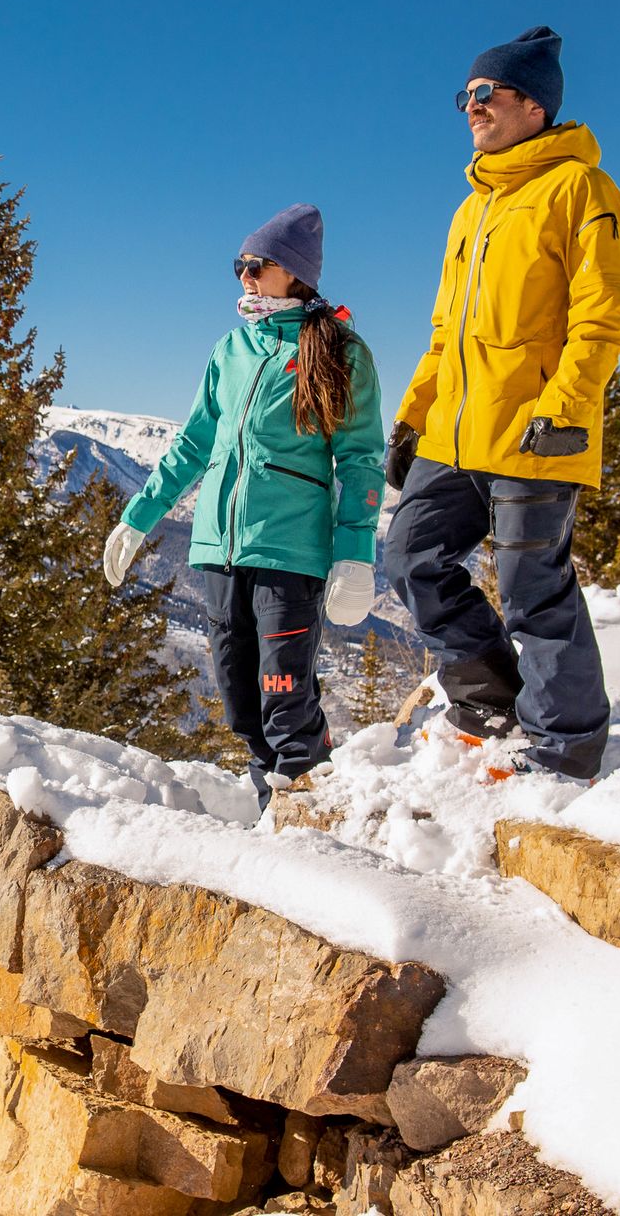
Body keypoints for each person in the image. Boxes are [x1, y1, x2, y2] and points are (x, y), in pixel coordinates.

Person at [384, 26, 620, 783]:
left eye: (485, 93)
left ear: (533, 104)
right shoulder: (473, 212)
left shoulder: (582, 191)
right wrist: (414, 413)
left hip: (534, 430)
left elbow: (606, 316)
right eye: (465, 95)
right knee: (410, 560)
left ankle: (565, 744)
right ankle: (489, 700)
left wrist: (563, 406)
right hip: (456, 435)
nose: (471, 107)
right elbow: (445, 333)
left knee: (534, 588)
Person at [103, 204, 384, 808]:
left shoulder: (339, 351)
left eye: (258, 264)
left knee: (285, 699)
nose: (245, 276)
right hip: (218, 552)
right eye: (239, 265)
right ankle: (271, 817)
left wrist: (356, 553)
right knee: (241, 703)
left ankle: (309, 815)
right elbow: (193, 444)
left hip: (291, 552)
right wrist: (138, 518)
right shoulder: (230, 349)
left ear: (297, 272)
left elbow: (360, 459)